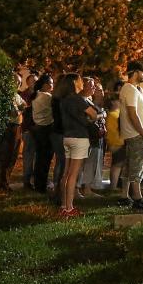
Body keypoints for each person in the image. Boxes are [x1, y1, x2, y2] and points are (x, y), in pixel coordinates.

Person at [57, 73, 100, 217]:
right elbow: (93, 113)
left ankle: (63, 205)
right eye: (80, 81)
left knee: (66, 173)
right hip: (79, 137)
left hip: (67, 137)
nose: (82, 83)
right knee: (73, 175)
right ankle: (69, 209)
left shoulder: (64, 99)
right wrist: (92, 117)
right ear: (75, 83)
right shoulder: (77, 98)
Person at [118, 61, 143, 210]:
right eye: (142, 72)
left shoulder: (132, 89)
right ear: (135, 72)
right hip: (135, 134)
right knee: (137, 166)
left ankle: (124, 196)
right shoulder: (130, 89)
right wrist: (142, 132)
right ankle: (137, 198)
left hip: (133, 134)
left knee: (129, 165)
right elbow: (132, 112)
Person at [0, 71, 26, 190]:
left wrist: (21, 108)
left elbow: (23, 106)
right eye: (15, 82)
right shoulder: (8, 95)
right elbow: (14, 112)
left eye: (19, 82)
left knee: (13, 155)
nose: (17, 84)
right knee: (7, 155)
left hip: (17, 126)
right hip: (10, 126)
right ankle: (3, 182)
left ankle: (5, 181)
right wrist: (21, 108)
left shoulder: (16, 95)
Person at [78, 77, 107, 197]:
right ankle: (78, 188)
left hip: (94, 136)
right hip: (85, 135)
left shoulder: (88, 100)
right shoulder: (81, 100)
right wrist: (103, 114)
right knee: (83, 164)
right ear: (83, 86)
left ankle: (87, 188)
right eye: (91, 85)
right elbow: (92, 116)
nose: (94, 88)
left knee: (91, 162)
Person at [30, 74, 55, 193]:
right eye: (51, 83)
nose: (52, 86)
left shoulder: (36, 95)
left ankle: (38, 184)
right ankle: (41, 185)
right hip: (46, 129)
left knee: (40, 158)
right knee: (45, 159)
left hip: (37, 128)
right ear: (45, 84)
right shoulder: (47, 97)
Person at [19, 72, 38, 189]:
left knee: (37, 155)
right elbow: (24, 111)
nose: (35, 83)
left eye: (36, 81)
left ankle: (35, 178)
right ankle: (26, 180)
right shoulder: (24, 95)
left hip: (39, 128)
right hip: (28, 129)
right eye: (32, 81)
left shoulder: (39, 94)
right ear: (27, 83)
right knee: (28, 155)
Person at [104, 94, 125, 192]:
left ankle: (116, 185)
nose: (121, 102)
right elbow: (112, 131)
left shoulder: (117, 113)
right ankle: (113, 186)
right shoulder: (113, 115)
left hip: (120, 142)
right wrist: (115, 143)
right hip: (117, 143)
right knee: (117, 165)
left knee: (119, 164)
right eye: (118, 101)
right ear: (113, 102)